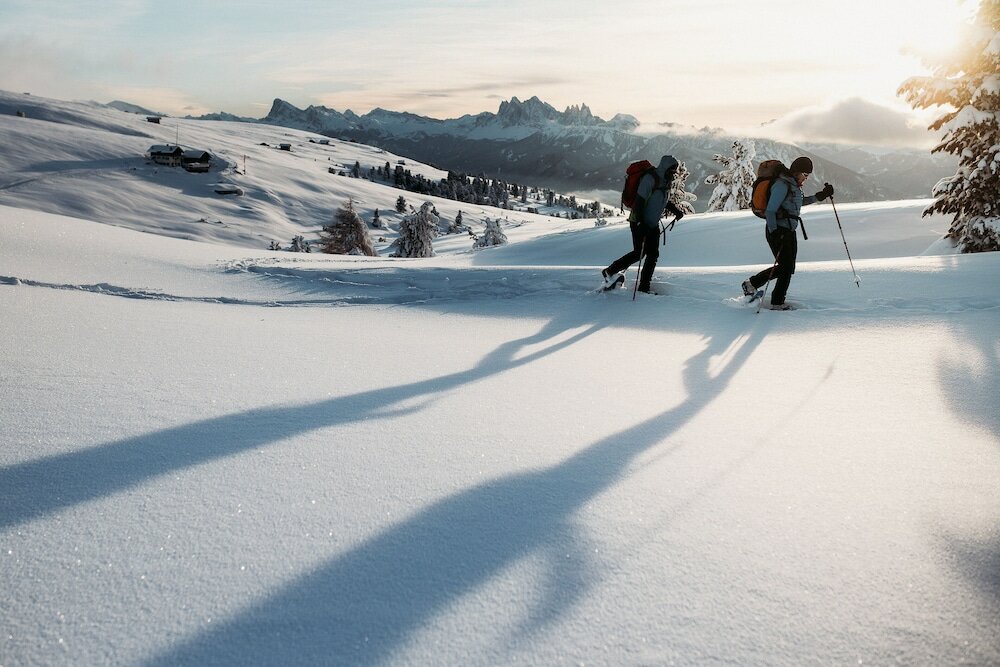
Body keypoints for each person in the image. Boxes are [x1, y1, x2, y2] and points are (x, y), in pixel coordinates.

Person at [741, 156, 834, 309]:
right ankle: (768, 295)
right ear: (797, 172)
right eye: (805, 174)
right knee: (785, 267)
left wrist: (820, 196)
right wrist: (775, 231)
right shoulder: (782, 184)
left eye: (808, 175)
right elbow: (770, 210)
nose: (806, 178)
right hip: (778, 231)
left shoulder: (794, 186)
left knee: (788, 267)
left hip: (789, 230)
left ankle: (757, 287)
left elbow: (798, 203)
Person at [602, 155, 685, 293]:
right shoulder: (650, 179)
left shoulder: (665, 181)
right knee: (639, 254)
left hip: (652, 224)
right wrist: (641, 223)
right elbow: (639, 202)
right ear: (665, 167)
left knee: (652, 255)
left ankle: (644, 287)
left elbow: (661, 200)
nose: (674, 173)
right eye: (672, 170)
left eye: (674, 170)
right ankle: (610, 271)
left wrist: (676, 211)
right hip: (639, 222)